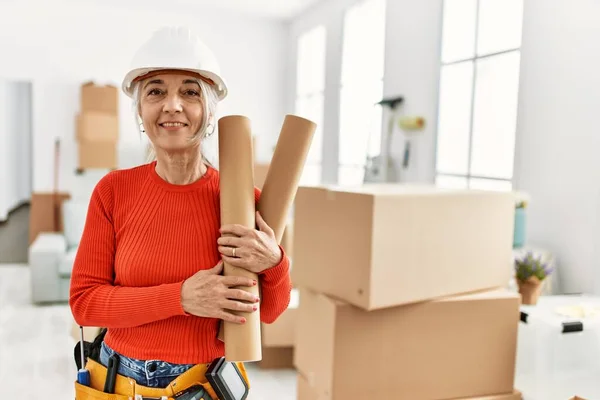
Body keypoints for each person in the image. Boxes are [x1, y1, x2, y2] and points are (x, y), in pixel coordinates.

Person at [69, 26, 292, 390]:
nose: (172, 104)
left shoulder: (238, 199)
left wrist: (275, 262)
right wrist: (181, 297)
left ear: (208, 111)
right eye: (155, 91)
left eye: (190, 92)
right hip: (117, 380)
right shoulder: (113, 191)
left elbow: (269, 312)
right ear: (140, 110)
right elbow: (85, 304)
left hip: (202, 384)